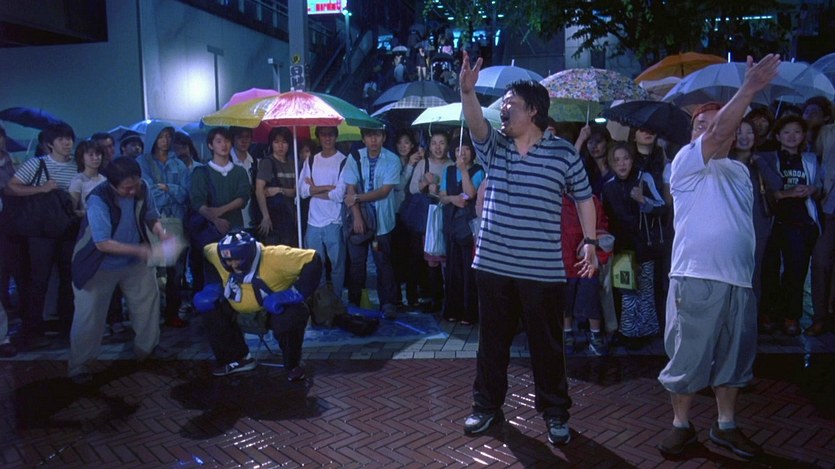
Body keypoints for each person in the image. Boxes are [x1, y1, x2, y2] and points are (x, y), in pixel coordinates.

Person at [459, 53, 599, 446]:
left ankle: (555, 413)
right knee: (492, 344)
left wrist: (590, 242)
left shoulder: (563, 153)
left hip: (542, 271)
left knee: (547, 347)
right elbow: (476, 122)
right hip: (493, 265)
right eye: (503, 105)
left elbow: (584, 198)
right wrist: (467, 92)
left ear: (533, 110)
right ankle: (487, 406)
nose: (503, 110)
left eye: (511, 104)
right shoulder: (495, 146)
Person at [656, 54, 781, 459]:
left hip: (739, 280)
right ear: (692, 134)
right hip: (697, 276)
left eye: (718, 121)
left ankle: (725, 425)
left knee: (734, 359)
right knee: (688, 357)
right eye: (702, 124)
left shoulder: (741, 172)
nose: (712, 128)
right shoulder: (686, 161)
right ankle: (681, 425)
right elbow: (718, 133)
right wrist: (749, 89)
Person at [68, 157, 176, 384]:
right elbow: (102, 243)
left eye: (135, 185)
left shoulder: (142, 187)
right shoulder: (98, 199)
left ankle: (147, 348)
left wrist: (162, 233)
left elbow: (151, 216)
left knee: (147, 303)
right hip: (97, 265)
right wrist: (142, 250)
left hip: (134, 262)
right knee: (89, 316)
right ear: (112, 184)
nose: (133, 191)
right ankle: (80, 364)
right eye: (127, 188)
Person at [193, 230, 322, 380]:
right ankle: (238, 359)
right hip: (236, 309)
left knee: (293, 314)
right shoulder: (216, 253)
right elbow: (205, 253)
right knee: (210, 308)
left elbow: (313, 259)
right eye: (228, 261)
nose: (233, 265)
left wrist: (292, 294)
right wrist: (212, 284)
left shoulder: (275, 256)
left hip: (271, 310)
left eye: (237, 260)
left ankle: (293, 365)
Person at [5, 122, 79, 347]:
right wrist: (41, 188)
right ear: (49, 144)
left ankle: (67, 326)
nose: (67, 143)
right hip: (41, 232)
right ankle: (33, 330)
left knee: (69, 278)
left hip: (68, 229)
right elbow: (11, 187)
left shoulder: (77, 165)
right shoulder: (36, 164)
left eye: (69, 138)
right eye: (61, 139)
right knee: (38, 280)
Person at [758, 115, 821, 336]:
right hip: (773, 221)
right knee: (769, 269)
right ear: (777, 136)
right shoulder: (767, 158)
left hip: (801, 222)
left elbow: (820, 187)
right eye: (786, 132)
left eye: (797, 132)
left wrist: (812, 189)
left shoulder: (810, 159)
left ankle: (791, 315)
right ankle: (768, 313)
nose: (792, 136)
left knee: (796, 270)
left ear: (803, 135)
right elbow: (766, 189)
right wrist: (786, 193)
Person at [601, 143, 665, 348]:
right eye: (617, 160)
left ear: (632, 160)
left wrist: (642, 199)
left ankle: (645, 333)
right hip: (621, 247)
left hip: (644, 245)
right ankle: (628, 334)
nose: (622, 164)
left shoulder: (643, 179)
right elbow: (605, 217)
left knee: (645, 292)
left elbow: (662, 206)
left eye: (626, 158)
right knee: (626, 291)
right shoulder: (608, 186)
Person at [343, 127, 402, 319]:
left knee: (383, 262)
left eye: (377, 135)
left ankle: (388, 303)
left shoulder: (392, 159)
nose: (373, 139)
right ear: (363, 138)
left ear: (383, 137)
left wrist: (357, 198)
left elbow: (384, 191)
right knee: (357, 263)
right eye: (369, 135)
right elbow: (350, 188)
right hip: (359, 220)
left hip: (382, 221)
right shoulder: (355, 157)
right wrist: (357, 216)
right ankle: (354, 301)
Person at [138, 122, 192, 328]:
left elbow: (185, 193)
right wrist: (171, 192)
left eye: (168, 136)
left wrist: (167, 188)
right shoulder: (142, 163)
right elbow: (148, 192)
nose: (165, 140)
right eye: (161, 136)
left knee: (176, 272)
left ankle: (172, 313)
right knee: (151, 271)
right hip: (152, 223)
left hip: (177, 222)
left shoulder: (179, 164)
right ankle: (150, 315)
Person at [189, 127, 251, 290]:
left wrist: (220, 211)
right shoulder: (201, 172)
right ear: (210, 145)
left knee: (237, 273)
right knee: (213, 274)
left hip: (235, 228)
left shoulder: (239, 171)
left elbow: (243, 197)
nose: (224, 145)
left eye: (227, 141)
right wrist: (215, 219)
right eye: (219, 141)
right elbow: (197, 201)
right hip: (210, 231)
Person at [406, 131, 453, 312]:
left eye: (442, 143)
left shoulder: (452, 165)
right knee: (427, 257)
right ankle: (430, 296)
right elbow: (412, 189)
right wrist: (424, 183)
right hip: (425, 217)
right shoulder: (423, 163)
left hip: (445, 215)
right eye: (434, 143)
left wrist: (438, 190)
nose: (438, 147)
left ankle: (444, 296)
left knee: (443, 257)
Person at [439, 136, 484, 324]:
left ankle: (469, 312)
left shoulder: (478, 170)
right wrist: (453, 199)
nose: (462, 153)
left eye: (466, 149)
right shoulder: (448, 170)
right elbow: (442, 196)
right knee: (453, 269)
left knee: (468, 270)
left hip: (468, 228)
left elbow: (471, 193)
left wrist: (464, 170)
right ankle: (453, 310)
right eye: (458, 150)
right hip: (451, 224)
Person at [298, 126, 347, 300]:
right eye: (323, 135)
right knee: (315, 265)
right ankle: (320, 302)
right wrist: (327, 187)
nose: (327, 138)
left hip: (334, 221)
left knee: (337, 265)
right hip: (313, 221)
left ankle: (337, 300)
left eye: (330, 134)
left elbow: (339, 194)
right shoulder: (311, 160)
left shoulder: (343, 161)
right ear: (318, 137)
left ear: (336, 136)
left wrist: (315, 190)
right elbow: (303, 191)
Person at [255, 127, 298, 247]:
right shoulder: (267, 162)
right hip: (273, 216)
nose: (280, 146)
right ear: (271, 144)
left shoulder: (293, 163)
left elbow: (296, 191)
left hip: (289, 215)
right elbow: (259, 190)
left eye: (284, 142)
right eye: (276, 142)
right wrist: (265, 216)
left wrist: (280, 190)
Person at [68, 140, 106, 217]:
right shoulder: (78, 180)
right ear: (82, 158)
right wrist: (85, 213)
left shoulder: (105, 179)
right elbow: (72, 209)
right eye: (91, 155)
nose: (95, 158)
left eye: (98, 154)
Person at [230, 127, 257, 229]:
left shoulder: (254, 161)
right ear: (233, 139)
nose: (244, 141)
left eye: (247, 137)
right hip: (231, 215)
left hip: (251, 214)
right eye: (240, 137)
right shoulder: (226, 160)